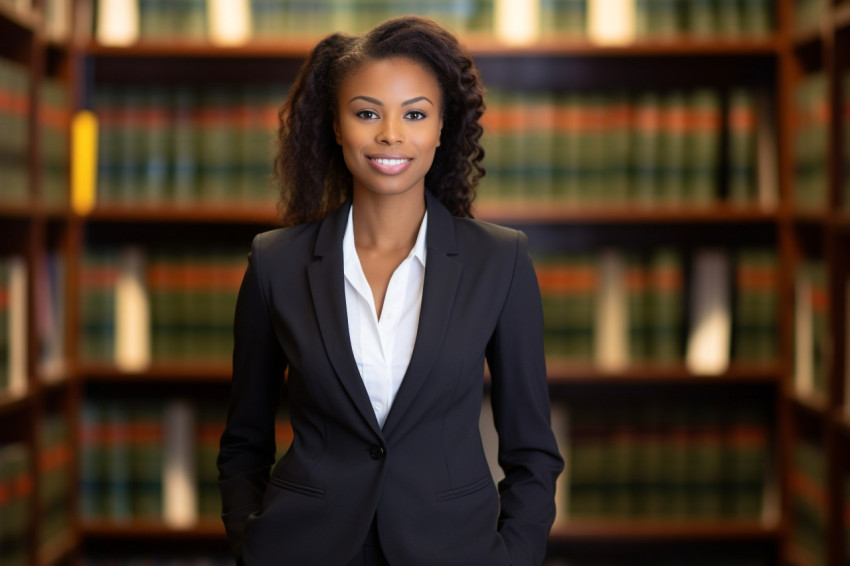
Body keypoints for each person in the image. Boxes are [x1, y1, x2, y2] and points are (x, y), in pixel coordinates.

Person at [217, 15, 564, 566]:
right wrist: (251, 544)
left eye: (415, 114)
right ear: (336, 126)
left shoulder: (500, 261)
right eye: (367, 113)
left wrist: (513, 558)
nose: (391, 135)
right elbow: (244, 442)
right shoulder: (274, 262)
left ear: (442, 126)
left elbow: (533, 453)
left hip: (455, 553)